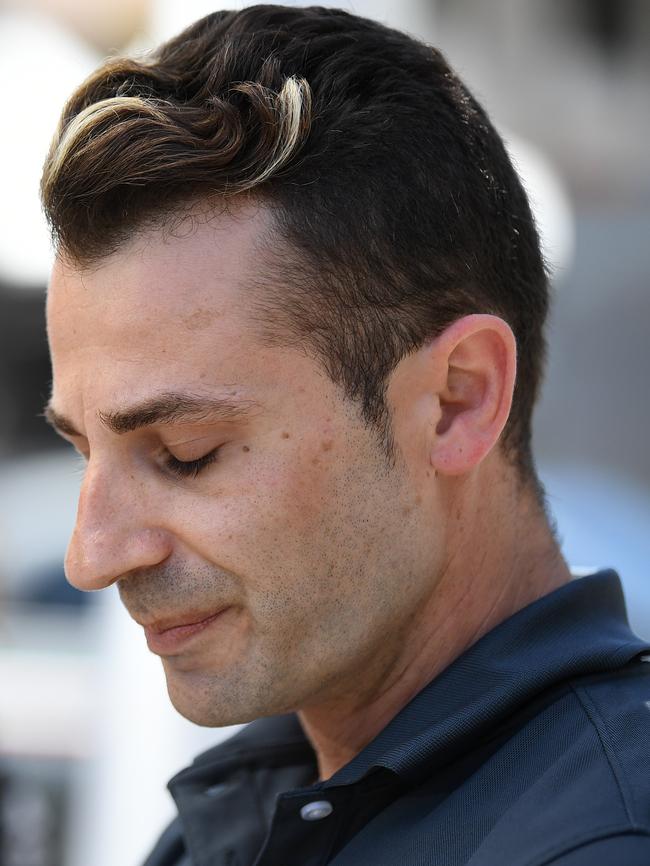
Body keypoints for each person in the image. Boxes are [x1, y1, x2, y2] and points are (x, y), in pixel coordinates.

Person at [41, 6, 650, 865]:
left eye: (186, 454)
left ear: (457, 401)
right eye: (83, 451)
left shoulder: (601, 839)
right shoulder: (240, 822)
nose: (91, 556)